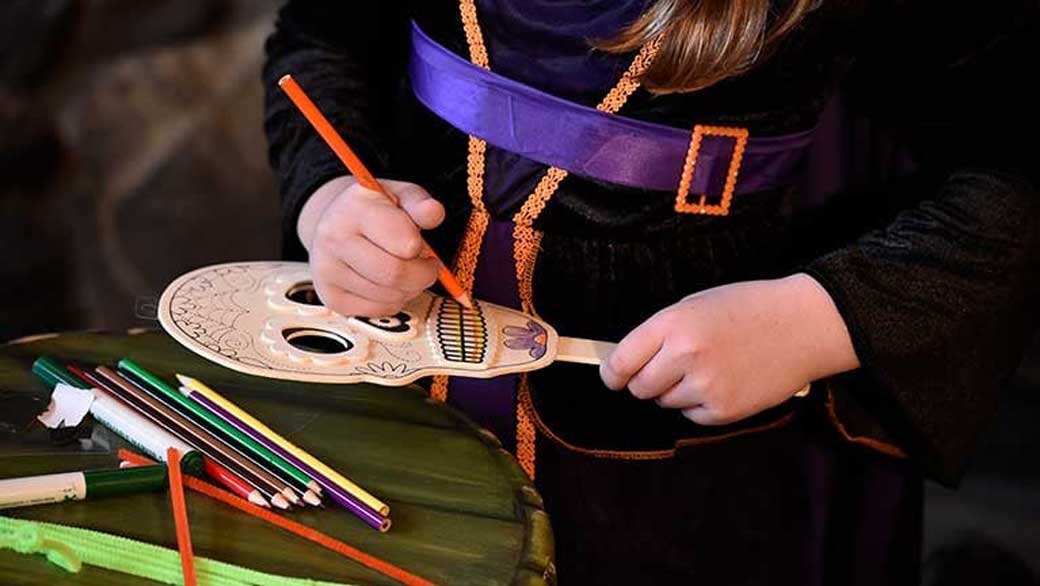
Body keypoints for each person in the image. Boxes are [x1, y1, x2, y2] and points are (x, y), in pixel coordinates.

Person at [262, 2, 1039, 583]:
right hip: (377, 364)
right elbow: (319, 39)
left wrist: (818, 316)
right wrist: (328, 193)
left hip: (683, 445)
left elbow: (1015, 170)